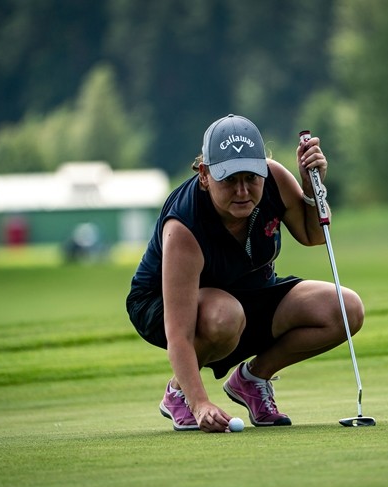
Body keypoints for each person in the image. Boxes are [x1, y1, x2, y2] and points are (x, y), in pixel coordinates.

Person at [126, 114, 365, 433]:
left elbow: (313, 236)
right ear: (204, 174)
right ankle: (177, 394)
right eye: (229, 179)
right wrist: (200, 403)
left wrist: (311, 191)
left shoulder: (275, 180)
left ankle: (253, 379)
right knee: (225, 315)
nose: (242, 191)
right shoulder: (183, 227)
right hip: (164, 305)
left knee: (346, 309)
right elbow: (178, 334)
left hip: (249, 291)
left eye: (251, 178)